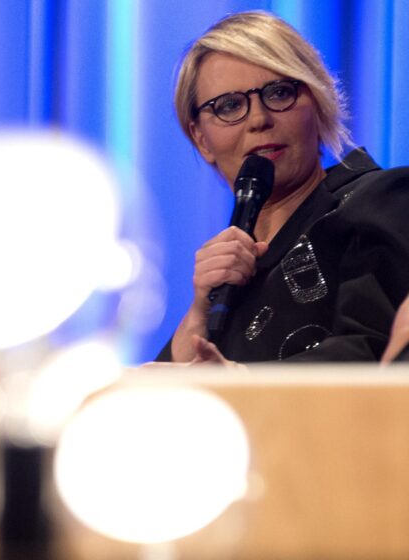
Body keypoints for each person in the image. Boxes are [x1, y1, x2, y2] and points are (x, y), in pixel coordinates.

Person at [158, 11, 409, 364]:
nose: (259, 119)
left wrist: (243, 384)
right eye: (229, 105)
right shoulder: (230, 277)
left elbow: (371, 352)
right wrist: (200, 310)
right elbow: (168, 391)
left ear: (318, 102)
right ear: (201, 138)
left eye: (279, 93)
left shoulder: (380, 199)